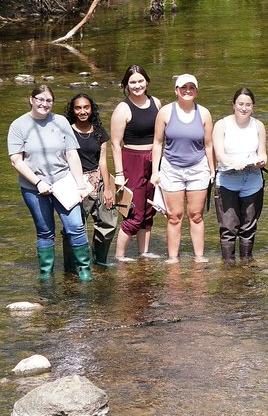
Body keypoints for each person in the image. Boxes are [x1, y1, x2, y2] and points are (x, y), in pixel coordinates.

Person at [8, 85, 93, 281]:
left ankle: (84, 270)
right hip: (33, 187)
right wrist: (38, 183)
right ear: (31, 100)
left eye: (48, 101)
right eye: (40, 99)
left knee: (76, 227)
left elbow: (71, 154)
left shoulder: (61, 121)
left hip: (63, 182)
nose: (44, 104)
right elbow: (16, 161)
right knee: (45, 231)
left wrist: (80, 185)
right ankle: (46, 274)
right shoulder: (18, 125)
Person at [151, 73, 215, 263]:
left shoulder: (203, 113)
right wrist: (156, 171)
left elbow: (209, 145)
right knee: (174, 216)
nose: (187, 91)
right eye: (183, 88)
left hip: (198, 168)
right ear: (176, 90)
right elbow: (157, 143)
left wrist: (212, 170)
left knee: (196, 215)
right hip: (171, 168)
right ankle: (173, 258)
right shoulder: (165, 112)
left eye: (191, 87)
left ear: (196, 91)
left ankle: (199, 257)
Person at [109, 65, 161, 261]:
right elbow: (115, 143)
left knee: (149, 211)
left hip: (154, 160)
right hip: (132, 160)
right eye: (132, 82)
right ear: (126, 85)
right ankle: (120, 256)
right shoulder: (123, 108)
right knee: (134, 213)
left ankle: (144, 253)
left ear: (147, 82)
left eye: (140, 81)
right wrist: (120, 173)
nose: (137, 85)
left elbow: (161, 136)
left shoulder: (156, 102)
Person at [213, 88, 267, 262]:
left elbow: (263, 153)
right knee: (228, 227)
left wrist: (261, 161)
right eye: (241, 104)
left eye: (248, 105)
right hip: (228, 180)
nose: (244, 108)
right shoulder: (221, 125)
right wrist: (232, 163)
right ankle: (228, 265)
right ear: (233, 104)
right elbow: (219, 155)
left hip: (253, 179)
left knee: (249, 226)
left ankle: (246, 263)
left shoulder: (258, 125)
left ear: (253, 106)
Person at [65, 93, 117, 268]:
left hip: (99, 181)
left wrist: (108, 189)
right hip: (76, 183)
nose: (82, 111)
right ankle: (73, 265)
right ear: (73, 110)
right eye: (78, 108)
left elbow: (103, 160)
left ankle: (99, 261)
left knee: (108, 222)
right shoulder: (67, 131)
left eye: (86, 107)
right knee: (75, 226)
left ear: (91, 109)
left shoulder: (99, 131)